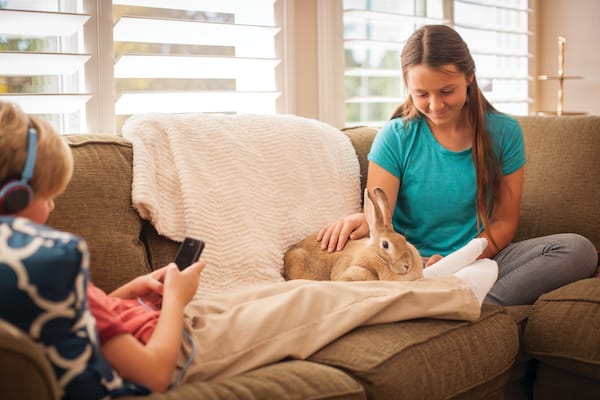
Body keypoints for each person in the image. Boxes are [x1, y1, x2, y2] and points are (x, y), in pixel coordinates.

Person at [0, 100, 499, 393]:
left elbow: (86, 320)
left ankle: (434, 283)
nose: (50, 210)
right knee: (312, 300)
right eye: (48, 199)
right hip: (176, 350)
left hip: (158, 323)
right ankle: (452, 292)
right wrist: (174, 300)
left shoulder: (22, 260)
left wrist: (130, 291)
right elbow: (152, 373)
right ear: (16, 196)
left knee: (261, 295)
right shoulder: (47, 260)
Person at [318, 25, 598, 306]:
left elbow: (504, 221)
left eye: (446, 91)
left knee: (578, 250)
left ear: (470, 77)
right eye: (422, 94)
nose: (435, 105)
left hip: (480, 256)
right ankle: (460, 302)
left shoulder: (504, 132)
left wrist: (460, 260)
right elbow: (381, 217)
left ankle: (462, 303)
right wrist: (365, 222)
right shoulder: (395, 136)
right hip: (417, 265)